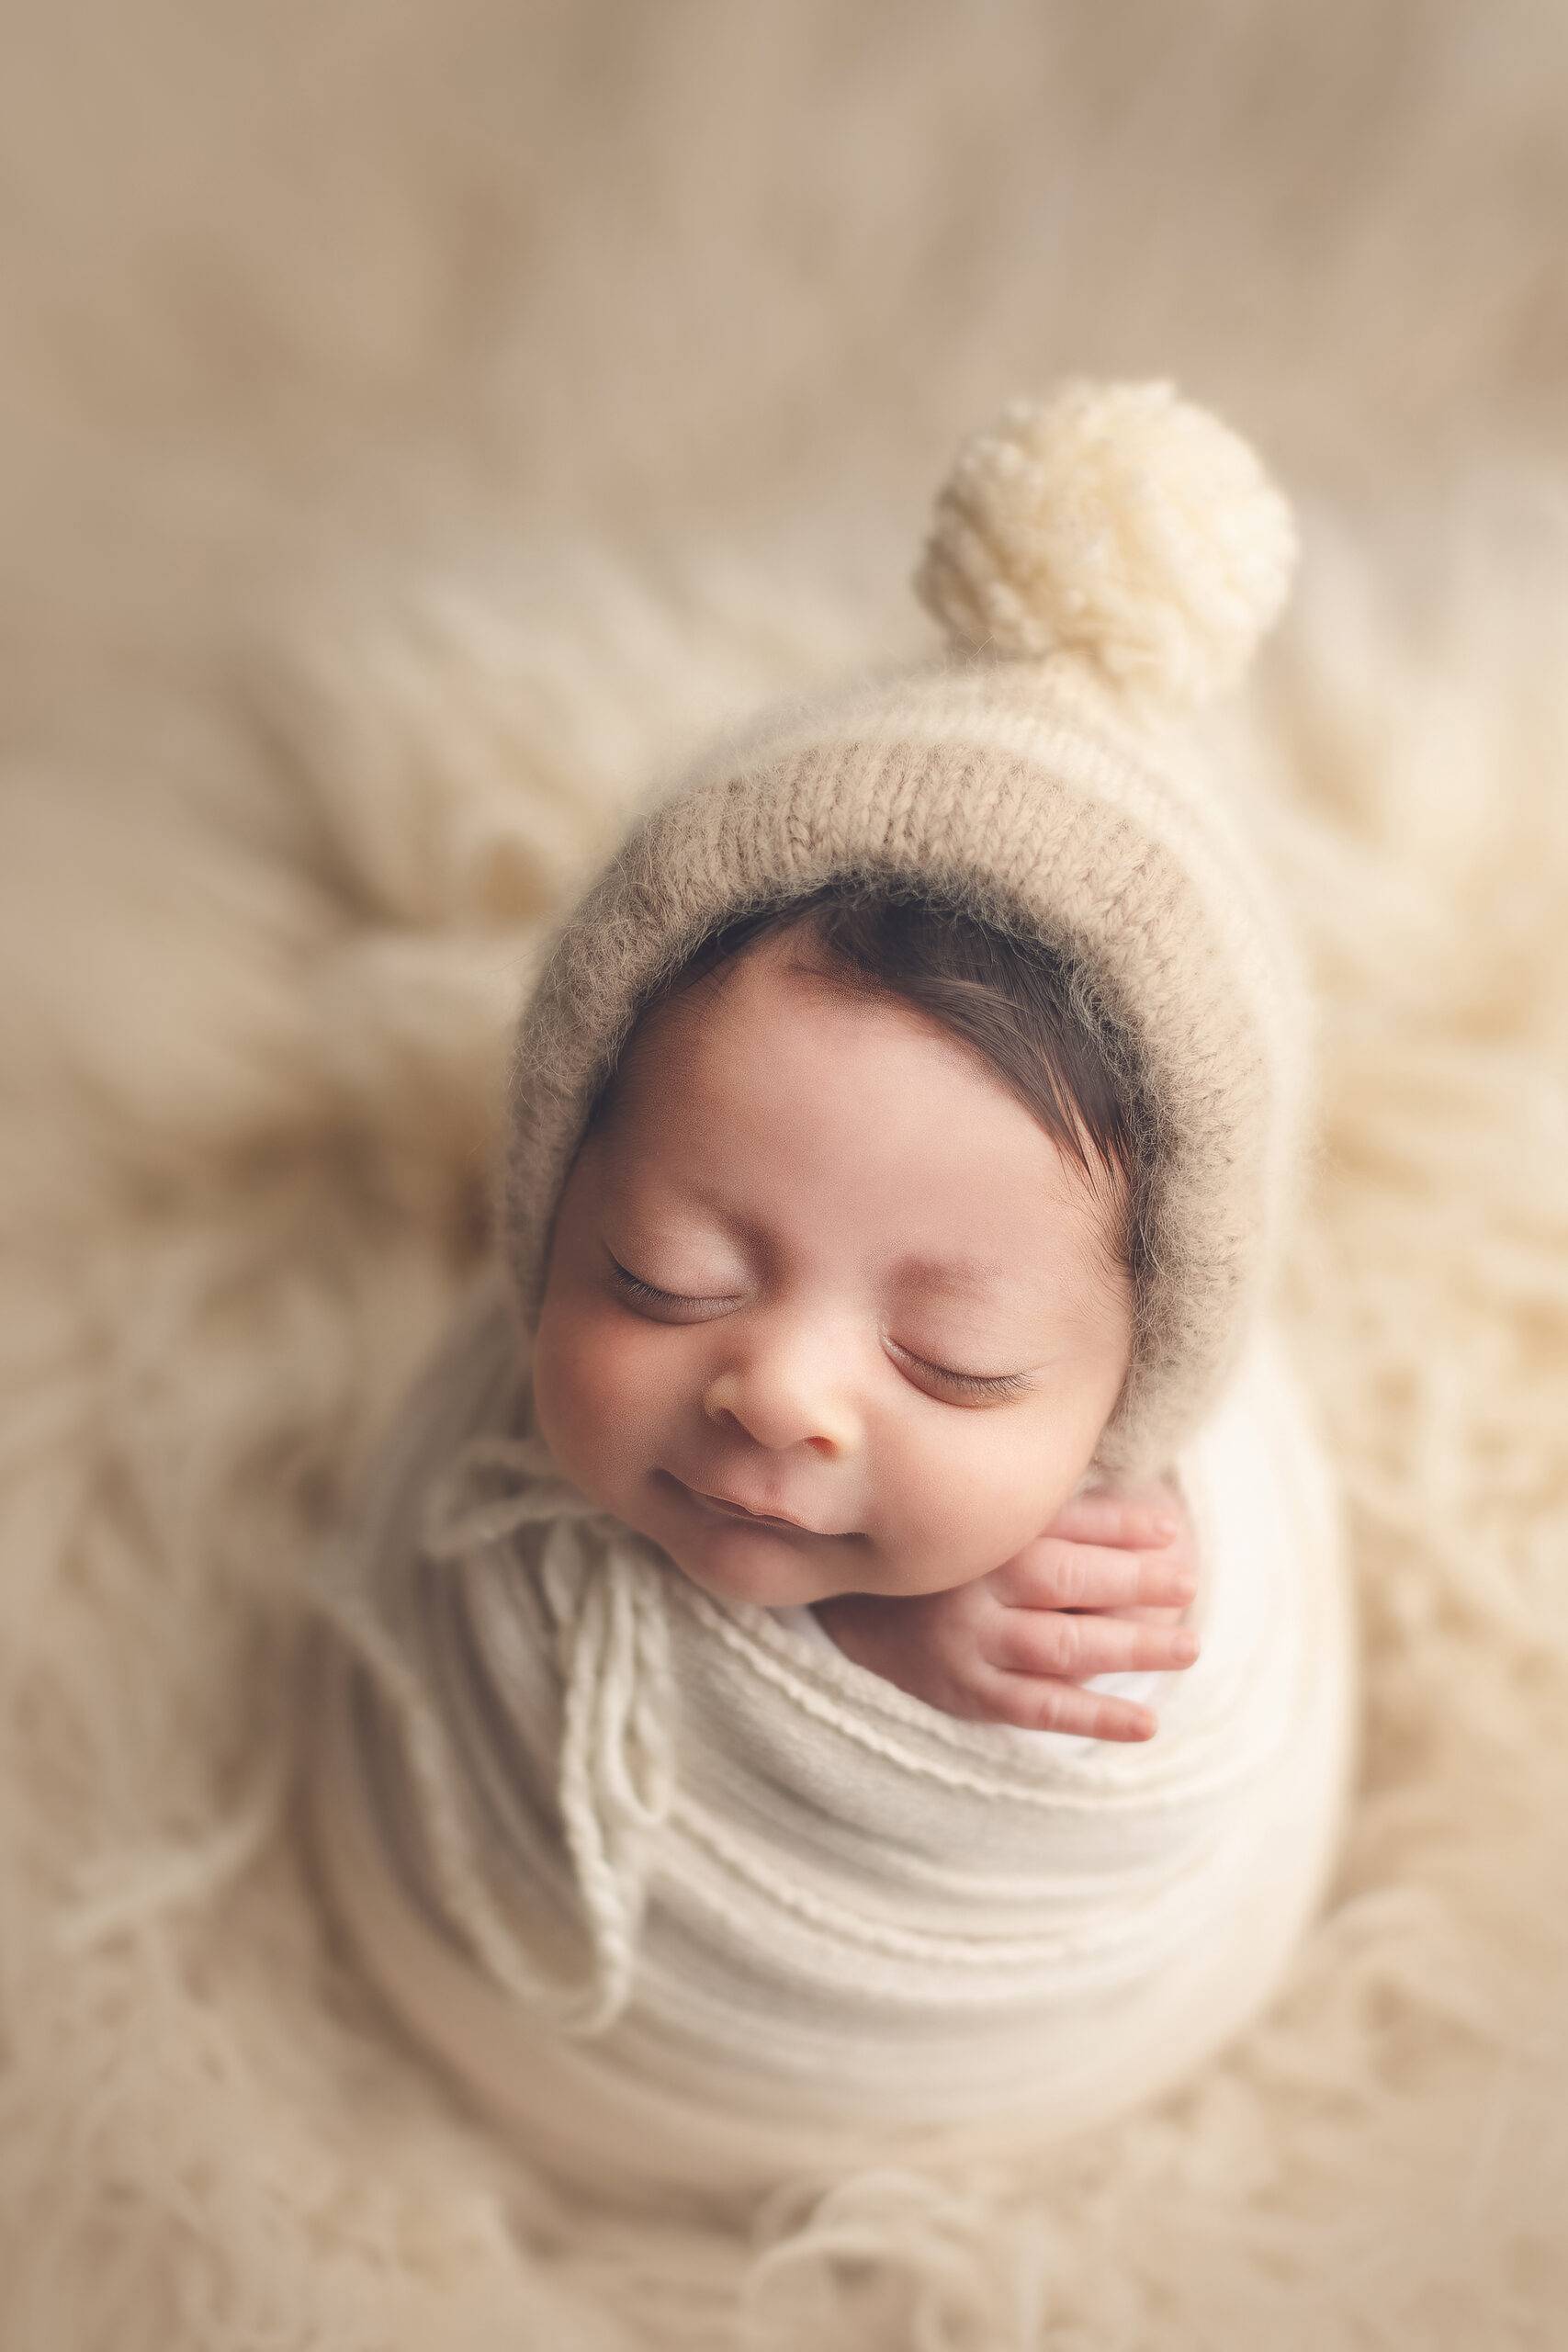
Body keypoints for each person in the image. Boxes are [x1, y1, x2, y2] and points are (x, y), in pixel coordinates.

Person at [295, 377, 1359, 2218]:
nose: (777, 1389)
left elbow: (1128, 1777)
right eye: (661, 1270)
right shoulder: (509, 1428)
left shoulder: (1150, 1593)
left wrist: (926, 1678)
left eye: (952, 1363)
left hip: (948, 2092)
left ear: (1137, 1383)